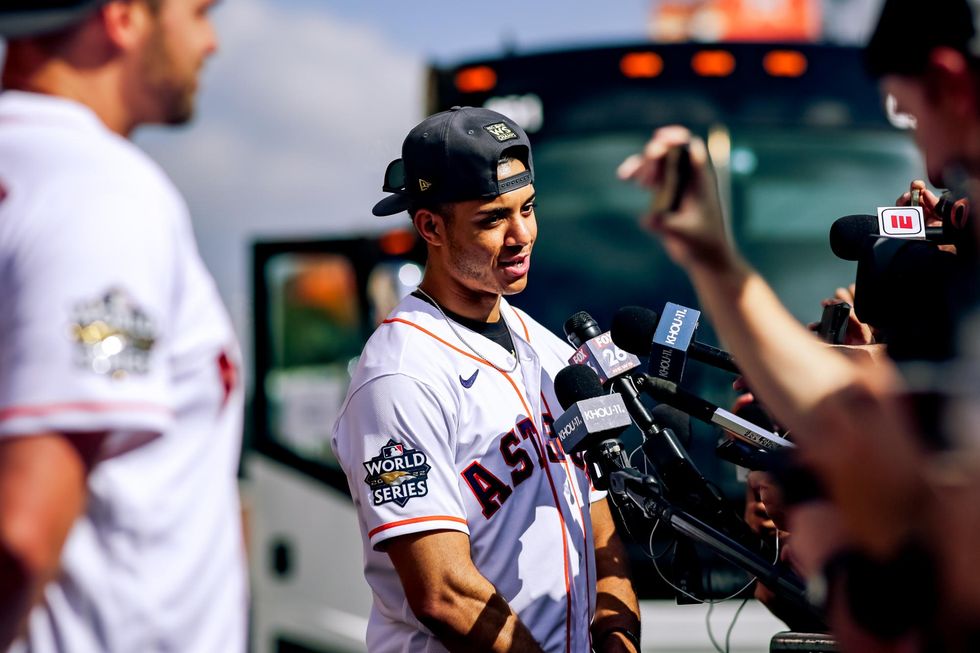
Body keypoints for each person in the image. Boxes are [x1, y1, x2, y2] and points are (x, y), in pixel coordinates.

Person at [331, 106, 640, 652]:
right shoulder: (400, 375)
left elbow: (595, 512)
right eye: (492, 218)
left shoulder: (543, 344)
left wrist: (618, 634)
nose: (522, 235)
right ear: (430, 226)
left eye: (529, 208)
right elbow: (444, 592)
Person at [0, 2, 247, 652]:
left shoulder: (30, 173)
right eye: (197, 13)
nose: (211, 42)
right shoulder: (99, 192)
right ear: (124, 16)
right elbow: (21, 535)